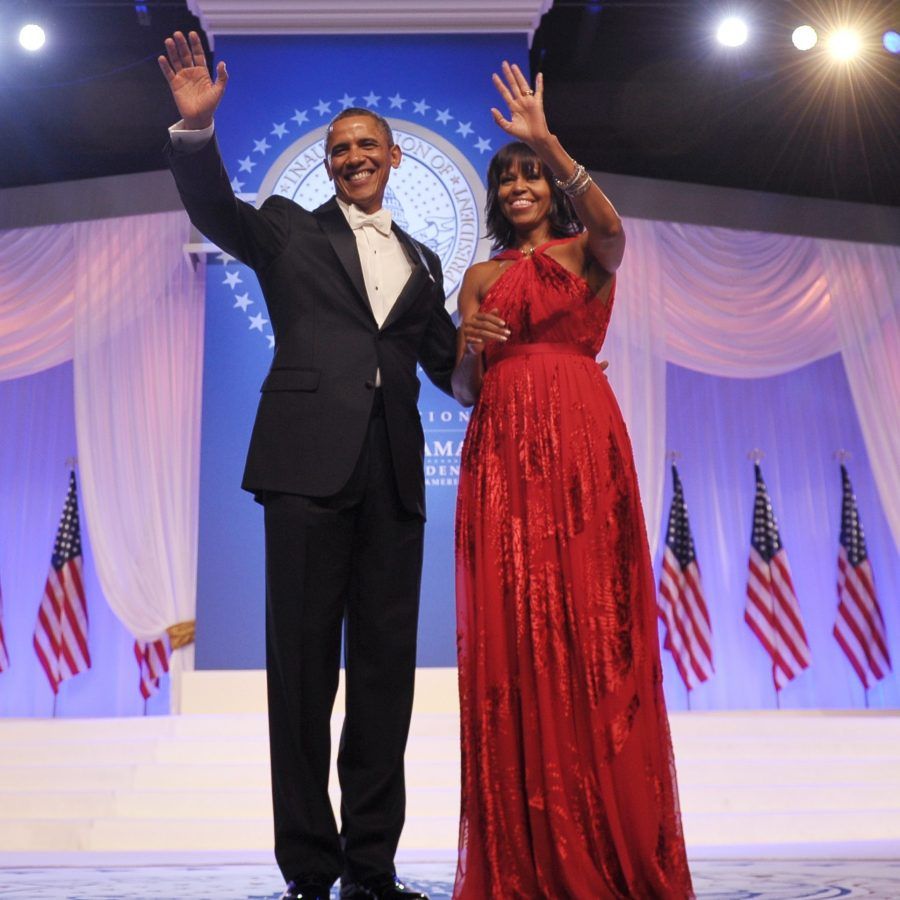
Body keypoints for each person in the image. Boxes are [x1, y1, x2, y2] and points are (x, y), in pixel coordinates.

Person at [158, 31, 457, 900]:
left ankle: (372, 868)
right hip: (302, 472)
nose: (352, 157)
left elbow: (448, 363)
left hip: (395, 477)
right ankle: (310, 869)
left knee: (382, 680)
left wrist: (521, 362)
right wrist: (195, 135)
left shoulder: (426, 260)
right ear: (325, 167)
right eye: (338, 149)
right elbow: (217, 214)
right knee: (301, 678)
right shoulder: (288, 229)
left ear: (394, 157)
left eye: (366, 145)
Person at [451, 62, 694, 898]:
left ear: (548, 185)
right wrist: (467, 344)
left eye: (529, 176)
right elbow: (463, 385)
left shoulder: (588, 249)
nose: (519, 185)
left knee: (593, 627)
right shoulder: (479, 279)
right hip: (501, 454)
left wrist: (546, 139)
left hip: (582, 445)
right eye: (508, 177)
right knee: (519, 634)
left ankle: (607, 831)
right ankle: (526, 845)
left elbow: (616, 227)